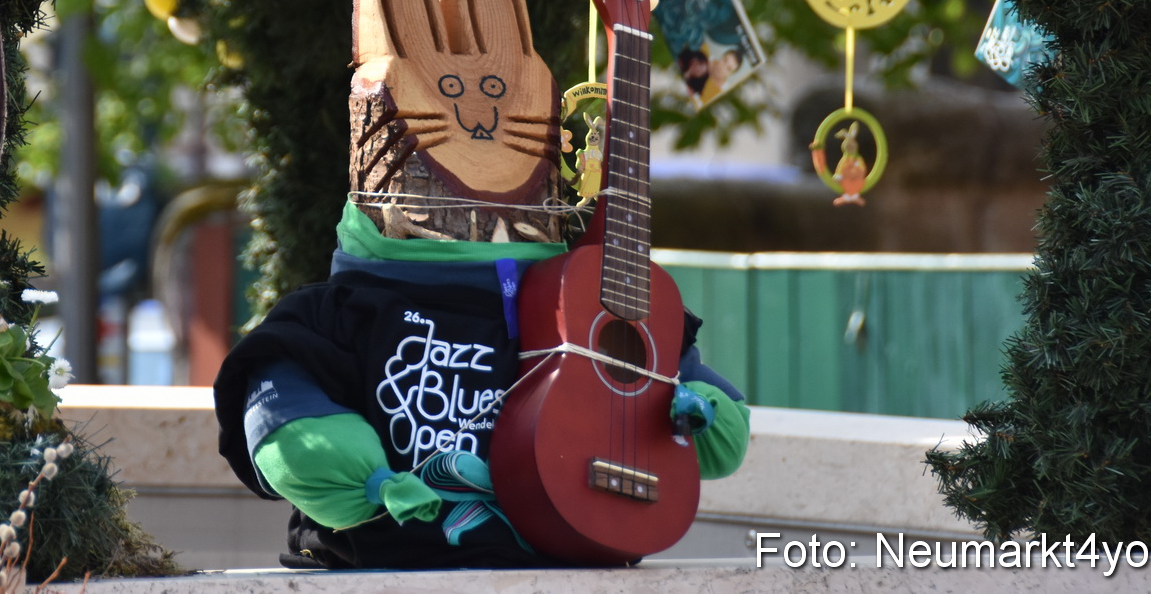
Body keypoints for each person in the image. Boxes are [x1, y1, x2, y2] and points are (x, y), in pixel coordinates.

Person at [212, 202, 751, 569]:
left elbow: (718, 429)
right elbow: (288, 414)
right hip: (380, 567)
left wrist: (694, 408)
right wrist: (347, 470)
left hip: (573, 554)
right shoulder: (341, 312)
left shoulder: (583, 299)